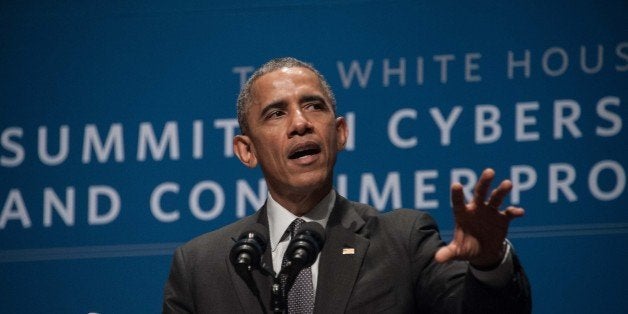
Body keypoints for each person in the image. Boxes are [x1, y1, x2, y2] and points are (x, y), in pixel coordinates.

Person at [162, 57, 531, 313]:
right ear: (246, 150)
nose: (300, 123)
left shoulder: (403, 240)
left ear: (339, 133)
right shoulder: (201, 266)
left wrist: (488, 264)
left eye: (314, 106)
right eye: (277, 113)